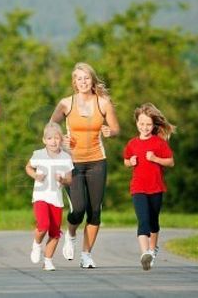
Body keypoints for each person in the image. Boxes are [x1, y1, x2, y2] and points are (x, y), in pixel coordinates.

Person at [50, 62, 120, 268]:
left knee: (95, 211)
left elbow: (116, 128)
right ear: (74, 82)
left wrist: (110, 131)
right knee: (78, 208)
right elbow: (51, 124)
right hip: (72, 162)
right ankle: (70, 235)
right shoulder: (66, 103)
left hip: (97, 160)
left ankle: (86, 254)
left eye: (86, 78)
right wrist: (57, 136)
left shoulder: (103, 103)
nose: (83, 82)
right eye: (79, 78)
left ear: (92, 81)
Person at [122, 102, 175, 271]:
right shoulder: (132, 143)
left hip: (156, 187)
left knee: (153, 222)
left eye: (148, 124)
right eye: (142, 123)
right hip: (138, 188)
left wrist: (155, 159)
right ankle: (145, 254)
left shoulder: (159, 143)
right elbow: (126, 160)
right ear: (137, 123)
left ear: (153, 126)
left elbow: (171, 162)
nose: (145, 127)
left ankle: (152, 249)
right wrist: (130, 162)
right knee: (143, 221)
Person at [25, 122, 74, 271]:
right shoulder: (38, 154)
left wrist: (62, 180)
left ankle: (48, 260)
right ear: (44, 140)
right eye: (50, 138)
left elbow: (70, 180)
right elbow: (28, 167)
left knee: (55, 233)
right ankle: (37, 244)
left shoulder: (66, 157)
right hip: (40, 196)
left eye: (56, 138)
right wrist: (35, 175)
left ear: (61, 139)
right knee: (43, 225)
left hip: (56, 200)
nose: (53, 141)